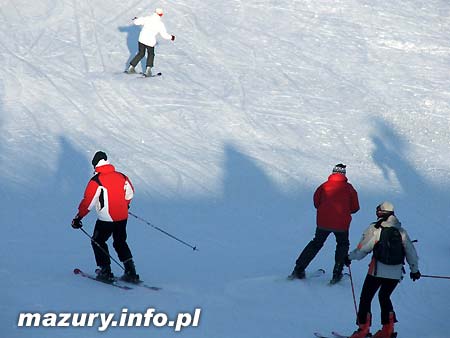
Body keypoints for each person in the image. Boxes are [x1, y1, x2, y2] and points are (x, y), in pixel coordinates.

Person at [346, 201, 420, 338]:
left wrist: (349, 257)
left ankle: (363, 330)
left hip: (377, 270)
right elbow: (411, 251)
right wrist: (414, 270)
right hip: (396, 272)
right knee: (384, 297)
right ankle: (388, 330)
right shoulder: (401, 231)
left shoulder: (376, 228)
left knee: (366, 298)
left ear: (379, 213)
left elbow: (364, 248)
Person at [71, 151, 140, 283]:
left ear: (95, 165)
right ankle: (131, 271)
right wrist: (125, 206)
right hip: (122, 217)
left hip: (106, 218)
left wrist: (78, 218)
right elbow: (130, 194)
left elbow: (88, 202)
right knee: (120, 241)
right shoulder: (121, 176)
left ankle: (105, 271)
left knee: (98, 241)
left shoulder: (97, 180)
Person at [289, 163, 360, 284]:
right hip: (341, 224)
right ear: (344, 174)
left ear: (333, 173)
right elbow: (355, 207)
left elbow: (316, 203)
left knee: (316, 243)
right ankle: (337, 273)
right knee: (342, 244)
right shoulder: (349, 188)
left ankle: (298, 269)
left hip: (323, 223)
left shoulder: (324, 186)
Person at [125, 8, 175, 77]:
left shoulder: (148, 18)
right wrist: (171, 37)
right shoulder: (160, 24)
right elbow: (164, 35)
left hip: (141, 39)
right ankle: (148, 71)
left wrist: (136, 19)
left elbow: (136, 22)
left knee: (141, 53)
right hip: (150, 41)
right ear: (161, 14)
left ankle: (131, 68)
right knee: (151, 54)